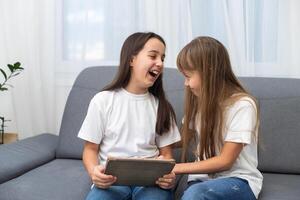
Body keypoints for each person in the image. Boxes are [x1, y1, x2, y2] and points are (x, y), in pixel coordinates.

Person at [78, 32, 180, 200]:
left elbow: (166, 154)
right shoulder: (103, 100)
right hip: (112, 181)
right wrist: (94, 172)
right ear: (131, 60)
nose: (160, 63)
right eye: (153, 56)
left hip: (151, 182)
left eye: (162, 58)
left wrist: (168, 177)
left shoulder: (162, 107)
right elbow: (90, 149)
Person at [172, 36, 263, 200]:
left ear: (210, 71)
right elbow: (182, 140)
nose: (186, 84)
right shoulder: (199, 102)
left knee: (196, 194)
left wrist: (174, 168)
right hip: (202, 180)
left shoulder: (243, 105)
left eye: (188, 76)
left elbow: (225, 161)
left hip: (238, 180)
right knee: (195, 192)